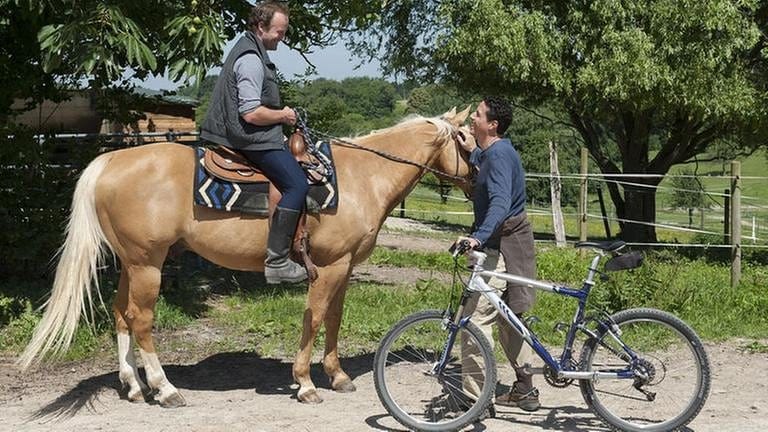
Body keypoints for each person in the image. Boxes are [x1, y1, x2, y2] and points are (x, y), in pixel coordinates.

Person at [201, 1, 308, 284]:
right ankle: (277, 261)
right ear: (261, 27)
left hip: (252, 135)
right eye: (278, 32)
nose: (281, 38)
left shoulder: (252, 50)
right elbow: (251, 113)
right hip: (251, 138)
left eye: (283, 32)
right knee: (297, 185)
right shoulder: (250, 60)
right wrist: (284, 115)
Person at [456, 96, 540, 411]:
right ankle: (525, 389)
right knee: (508, 318)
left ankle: (475, 401)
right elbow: (489, 160)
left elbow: (501, 203)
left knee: (474, 320)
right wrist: (473, 151)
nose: (471, 120)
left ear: (492, 124)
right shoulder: (492, 152)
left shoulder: (501, 155)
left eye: (476, 115)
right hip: (505, 241)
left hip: (502, 242)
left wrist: (477, 237)